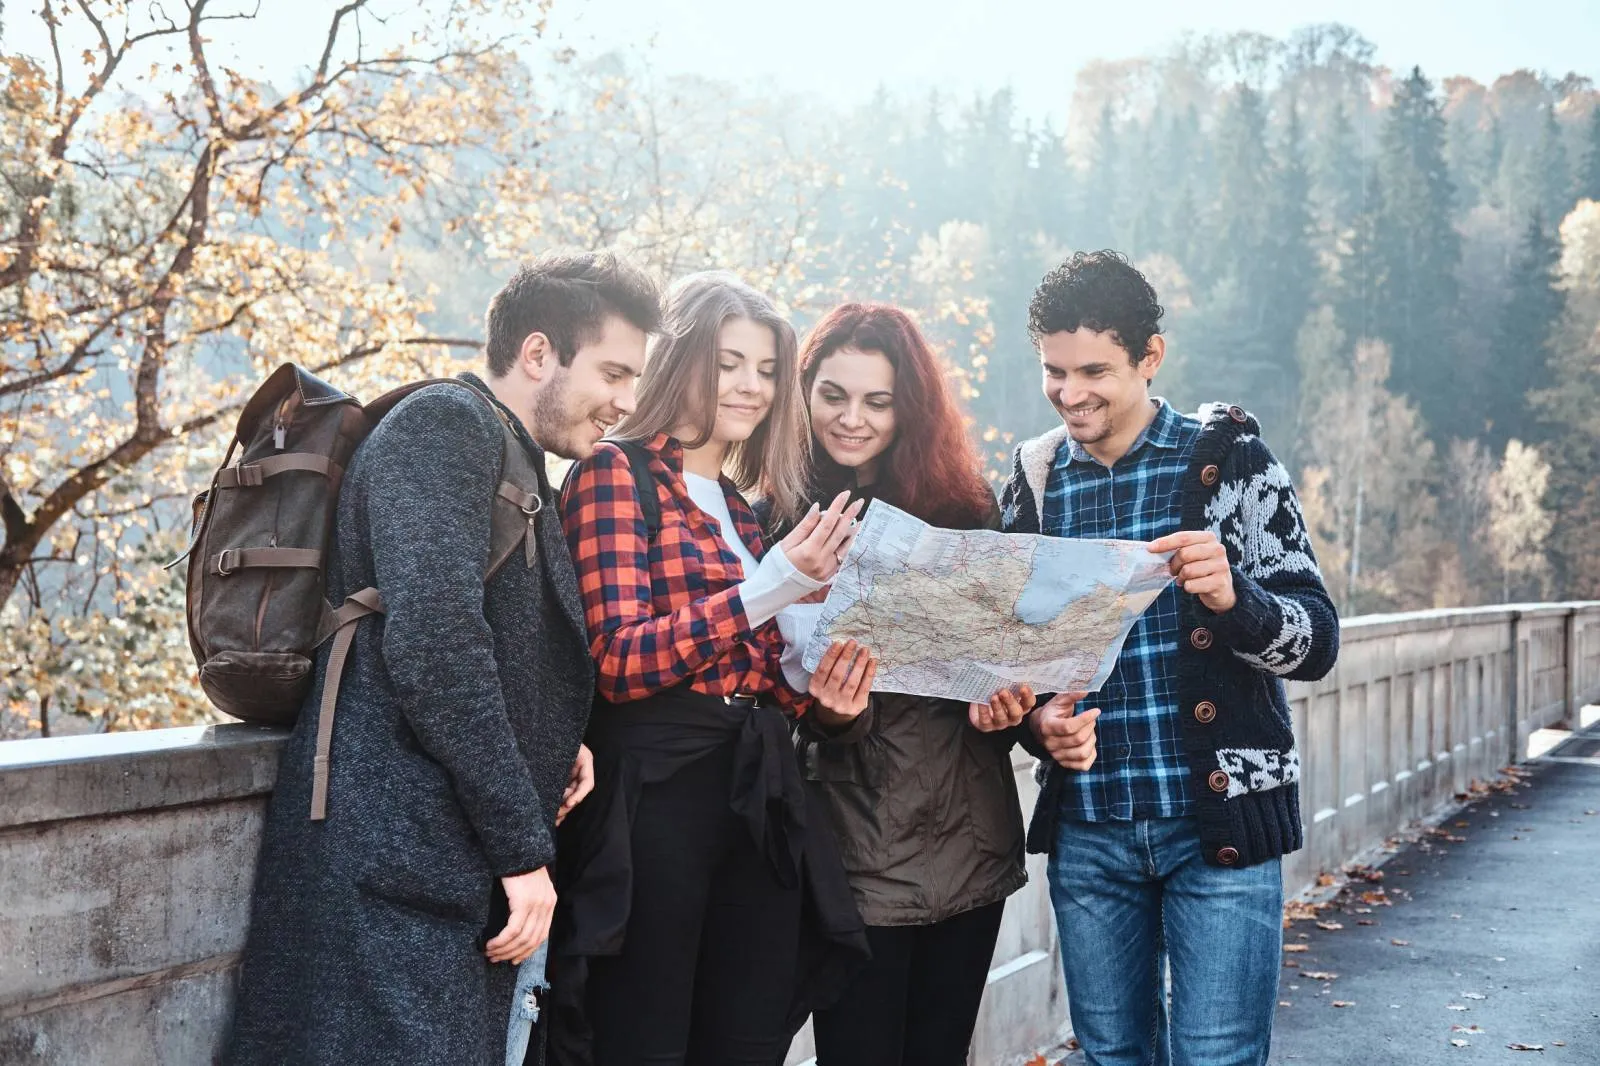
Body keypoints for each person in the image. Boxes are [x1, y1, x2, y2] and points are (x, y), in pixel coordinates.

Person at [224, 252, 662, 1066]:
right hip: (389, 863)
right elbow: (436, 647)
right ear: (538, 354)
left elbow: (486, 638)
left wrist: (557, 740)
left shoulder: (508, 450)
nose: (626, 402)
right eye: (613, 371)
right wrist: (522, 851)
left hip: (425, 865)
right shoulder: (445, 427)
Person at [998, 251, 1340, 1066]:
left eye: (1094, 371)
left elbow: (1317, 641)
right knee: (1113, 1059)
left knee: (1216, 1058)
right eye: (1053, 371)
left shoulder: (1232, 465)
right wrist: (1042, 725)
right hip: (1091, 831)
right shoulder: (1034, 482)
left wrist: (1235, 599)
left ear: (1151, 358)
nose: (1070, 393)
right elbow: (1010, 662)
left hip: (1216, 826)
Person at [760, 303, 1101, 1066]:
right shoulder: (773, 516)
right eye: (833, 395)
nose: (852, 419)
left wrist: (1019, 712)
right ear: (802, 391)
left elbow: (1012, 663)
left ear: (909, 408)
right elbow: (758, 700)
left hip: (965, 840)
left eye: (878, 402)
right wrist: (833, 717)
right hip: (850, 848)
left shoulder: (968, 509)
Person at [553, 271, 874, 1066]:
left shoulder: (743, 508)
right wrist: (771, 589)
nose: (752, 386)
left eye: (767, 370)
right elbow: (618, 661)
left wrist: (826, 694)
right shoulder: (613, 472)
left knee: (748, 1037)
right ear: (683, 357)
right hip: (655, 796)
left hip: (757, 793)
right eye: (731, 361)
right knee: (645, 1034)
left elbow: (761, 673)